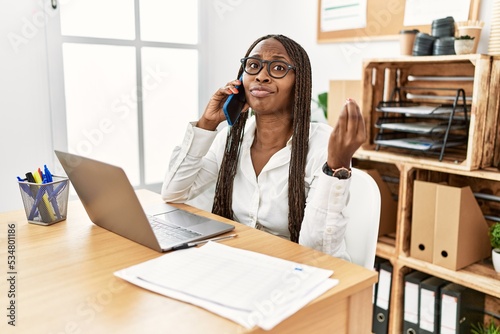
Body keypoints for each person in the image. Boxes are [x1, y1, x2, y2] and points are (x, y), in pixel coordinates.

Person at [161, 34, 366, 260]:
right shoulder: (230, 140)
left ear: (299, 83)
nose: (261, 76)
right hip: (240, 261)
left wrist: (336, 167)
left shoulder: (322, 144)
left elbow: (317, 250)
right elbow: (174, 192)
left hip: (298, 269)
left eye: (278, 68)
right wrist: (207, 124)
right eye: (253, 65)